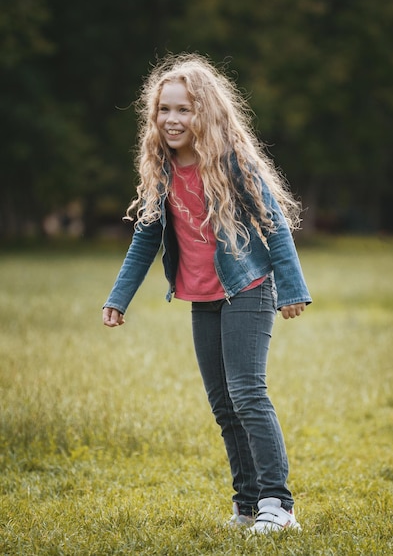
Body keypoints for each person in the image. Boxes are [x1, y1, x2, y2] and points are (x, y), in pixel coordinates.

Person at [102, 53, 312, 534]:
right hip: (202, 297)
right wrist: (118, 298)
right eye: (164, 110)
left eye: (184, 109)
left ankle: (278, 505)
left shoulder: (232, 164)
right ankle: (247, 504)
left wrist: (292, 289)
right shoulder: (162, 169)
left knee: (247, 394)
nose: (172, 119)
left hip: (248, 289)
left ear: (207, 114)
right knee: (222, 403)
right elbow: (145, 239)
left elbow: (275, 227)